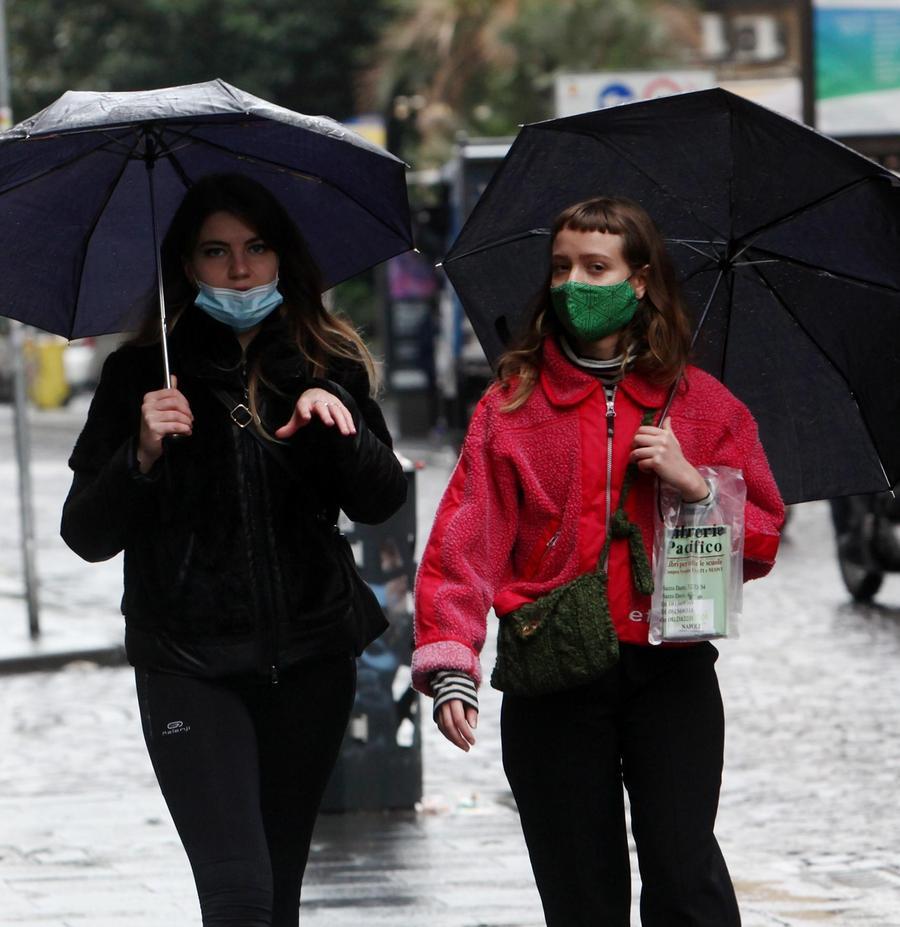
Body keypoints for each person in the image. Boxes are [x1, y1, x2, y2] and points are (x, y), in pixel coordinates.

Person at [412, 196, 784, 926]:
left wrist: (695, 483)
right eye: (561, 267)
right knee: (581, 893)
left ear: (639, 280)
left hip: (669, 669)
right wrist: (452, 660)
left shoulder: (704, 408)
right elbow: (466, 539)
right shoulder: (511, 406)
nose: (575, 282)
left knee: (687, 879)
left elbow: (763, 538)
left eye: (595, 266)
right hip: (551, 675)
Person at [61, 174, 406, 927]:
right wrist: (141, 453)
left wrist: (340, 423)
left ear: (282, 256)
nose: (240, 269)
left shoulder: (329, 362)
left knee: (277, 892)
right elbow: (85, 533)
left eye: (255, 248)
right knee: (239, 894)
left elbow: (382, 500)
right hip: (188, 664)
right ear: (188, 265)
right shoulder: (138, 376)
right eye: (217, 252)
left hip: (311, 661)